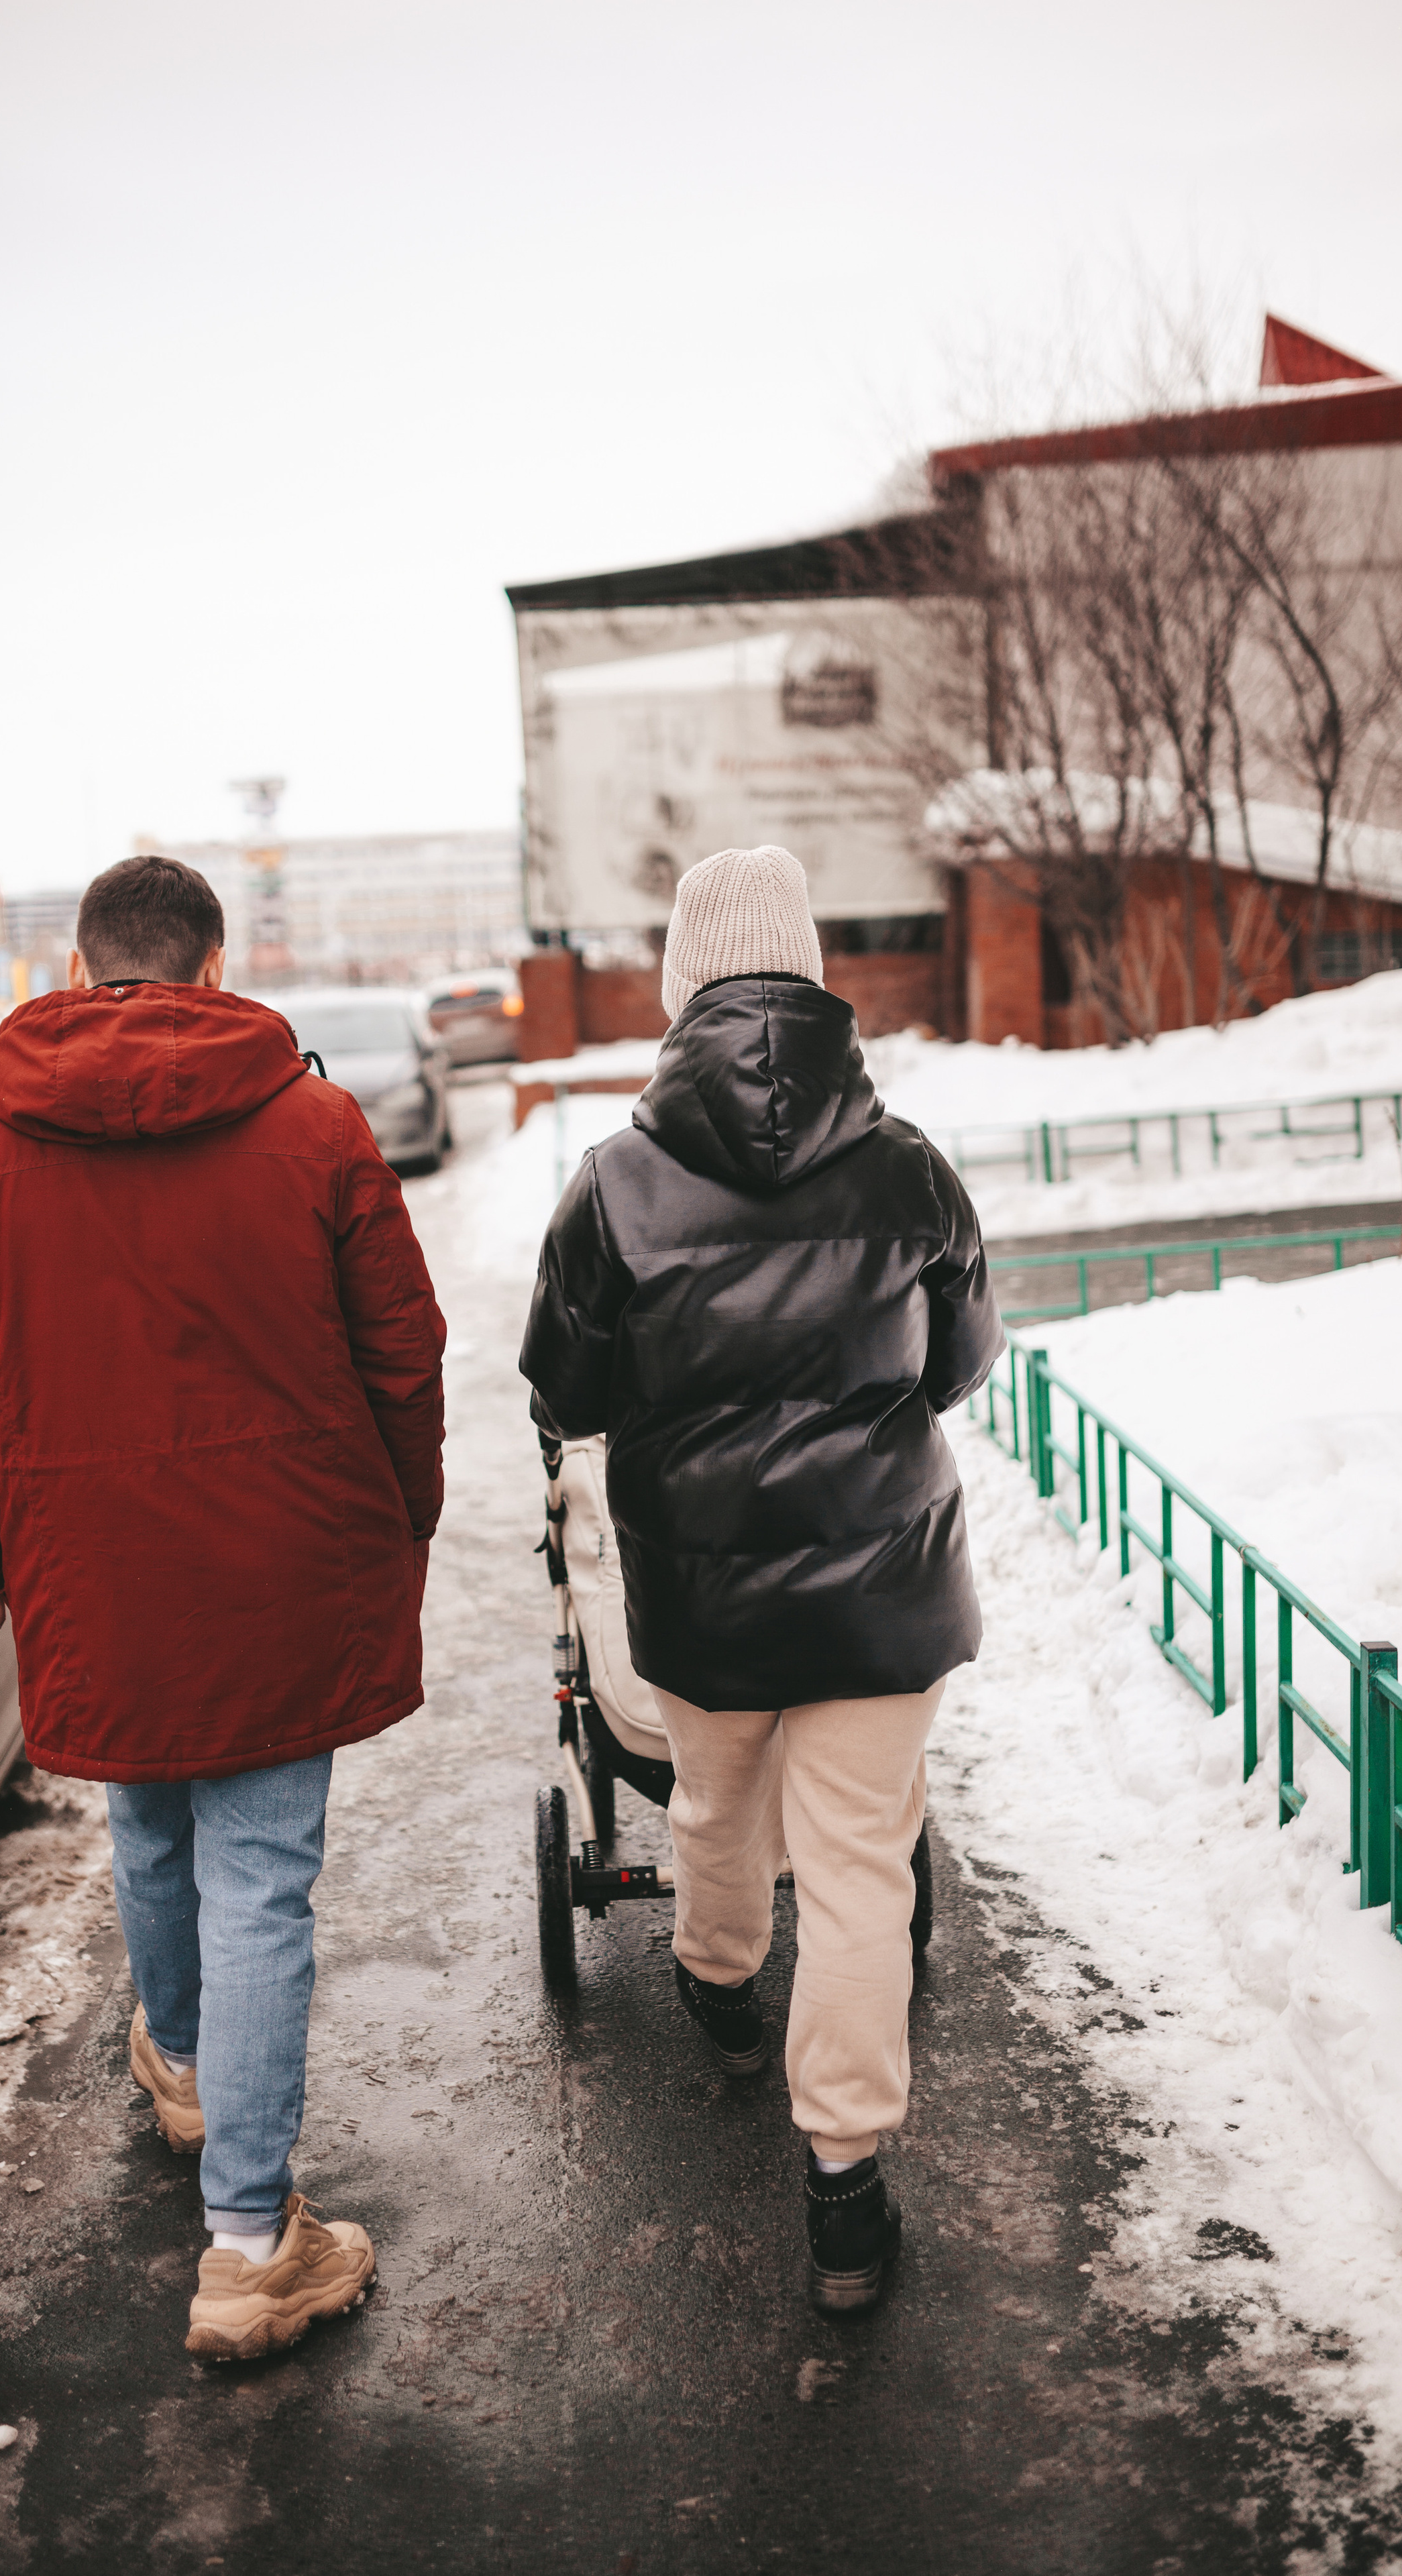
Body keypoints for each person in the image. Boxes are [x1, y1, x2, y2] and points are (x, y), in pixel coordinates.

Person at [0, 854, 445, 2361]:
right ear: (211, 969)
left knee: (147, 1824)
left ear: (79, 972)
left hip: (92, 1570)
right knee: (260, 1880)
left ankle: (190, 2064)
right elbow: (403, 1350)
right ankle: (253, 2242)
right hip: (283, 1565)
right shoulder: (318, 1127)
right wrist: (406, 1521)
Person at [520, 844, 1002, 2314]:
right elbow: (959, 1364)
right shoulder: (908, 1162)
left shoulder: (611, 1186)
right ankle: (845, 2192)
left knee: (716, 1807)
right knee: (859, 1874)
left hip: (703, 1594)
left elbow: (566, 1387)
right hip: (882, 1590)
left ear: (681, 989)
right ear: (812, 979)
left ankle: (720, 1989)